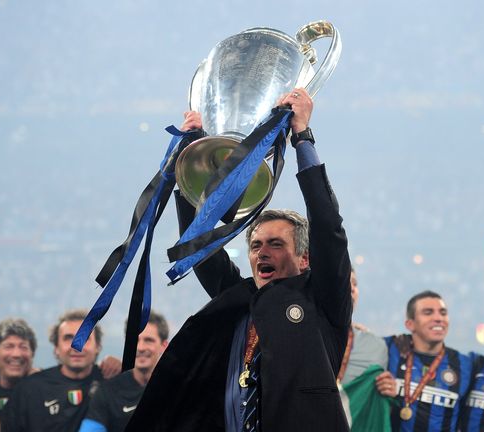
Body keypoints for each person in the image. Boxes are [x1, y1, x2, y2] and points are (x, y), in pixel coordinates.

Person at [126, 88, 353, 431]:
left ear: (305, 258)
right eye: (256, 244)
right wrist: (192, 157)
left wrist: (302, 137)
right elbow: (198, 249)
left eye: (276, 244)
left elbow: (328, 227)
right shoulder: (238, 298)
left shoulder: (322, 299)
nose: (262, 252)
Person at [375, 290, 473, 432]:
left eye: (443, 313)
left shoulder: (465, 364)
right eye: (428, 312)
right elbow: (355, 341)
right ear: (410, 324)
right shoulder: (390, 348)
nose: (438, 318)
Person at [0, 309, 104, 432]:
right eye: (68, 338)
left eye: (85, 337)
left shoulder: (110, 383)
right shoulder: (29, 389)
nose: (77, 345)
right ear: (56, 348)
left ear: (98, 346)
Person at [79, 311, 169, 432]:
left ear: (164, 345)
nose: (140, 347)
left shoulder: (177, 387)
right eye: (134, 340)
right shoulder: (108, 390)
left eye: (148, 340)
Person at [339, 268, 390, 431]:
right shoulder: (301, 336)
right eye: (345, 282)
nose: (352, 288)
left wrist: (391, 387)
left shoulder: (376, 346)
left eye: (355, 283)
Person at [0, 318, 37, 416]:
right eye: (9, 346)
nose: (16, 354)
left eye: (23, 347)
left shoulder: (46, 392)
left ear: (32, 354)